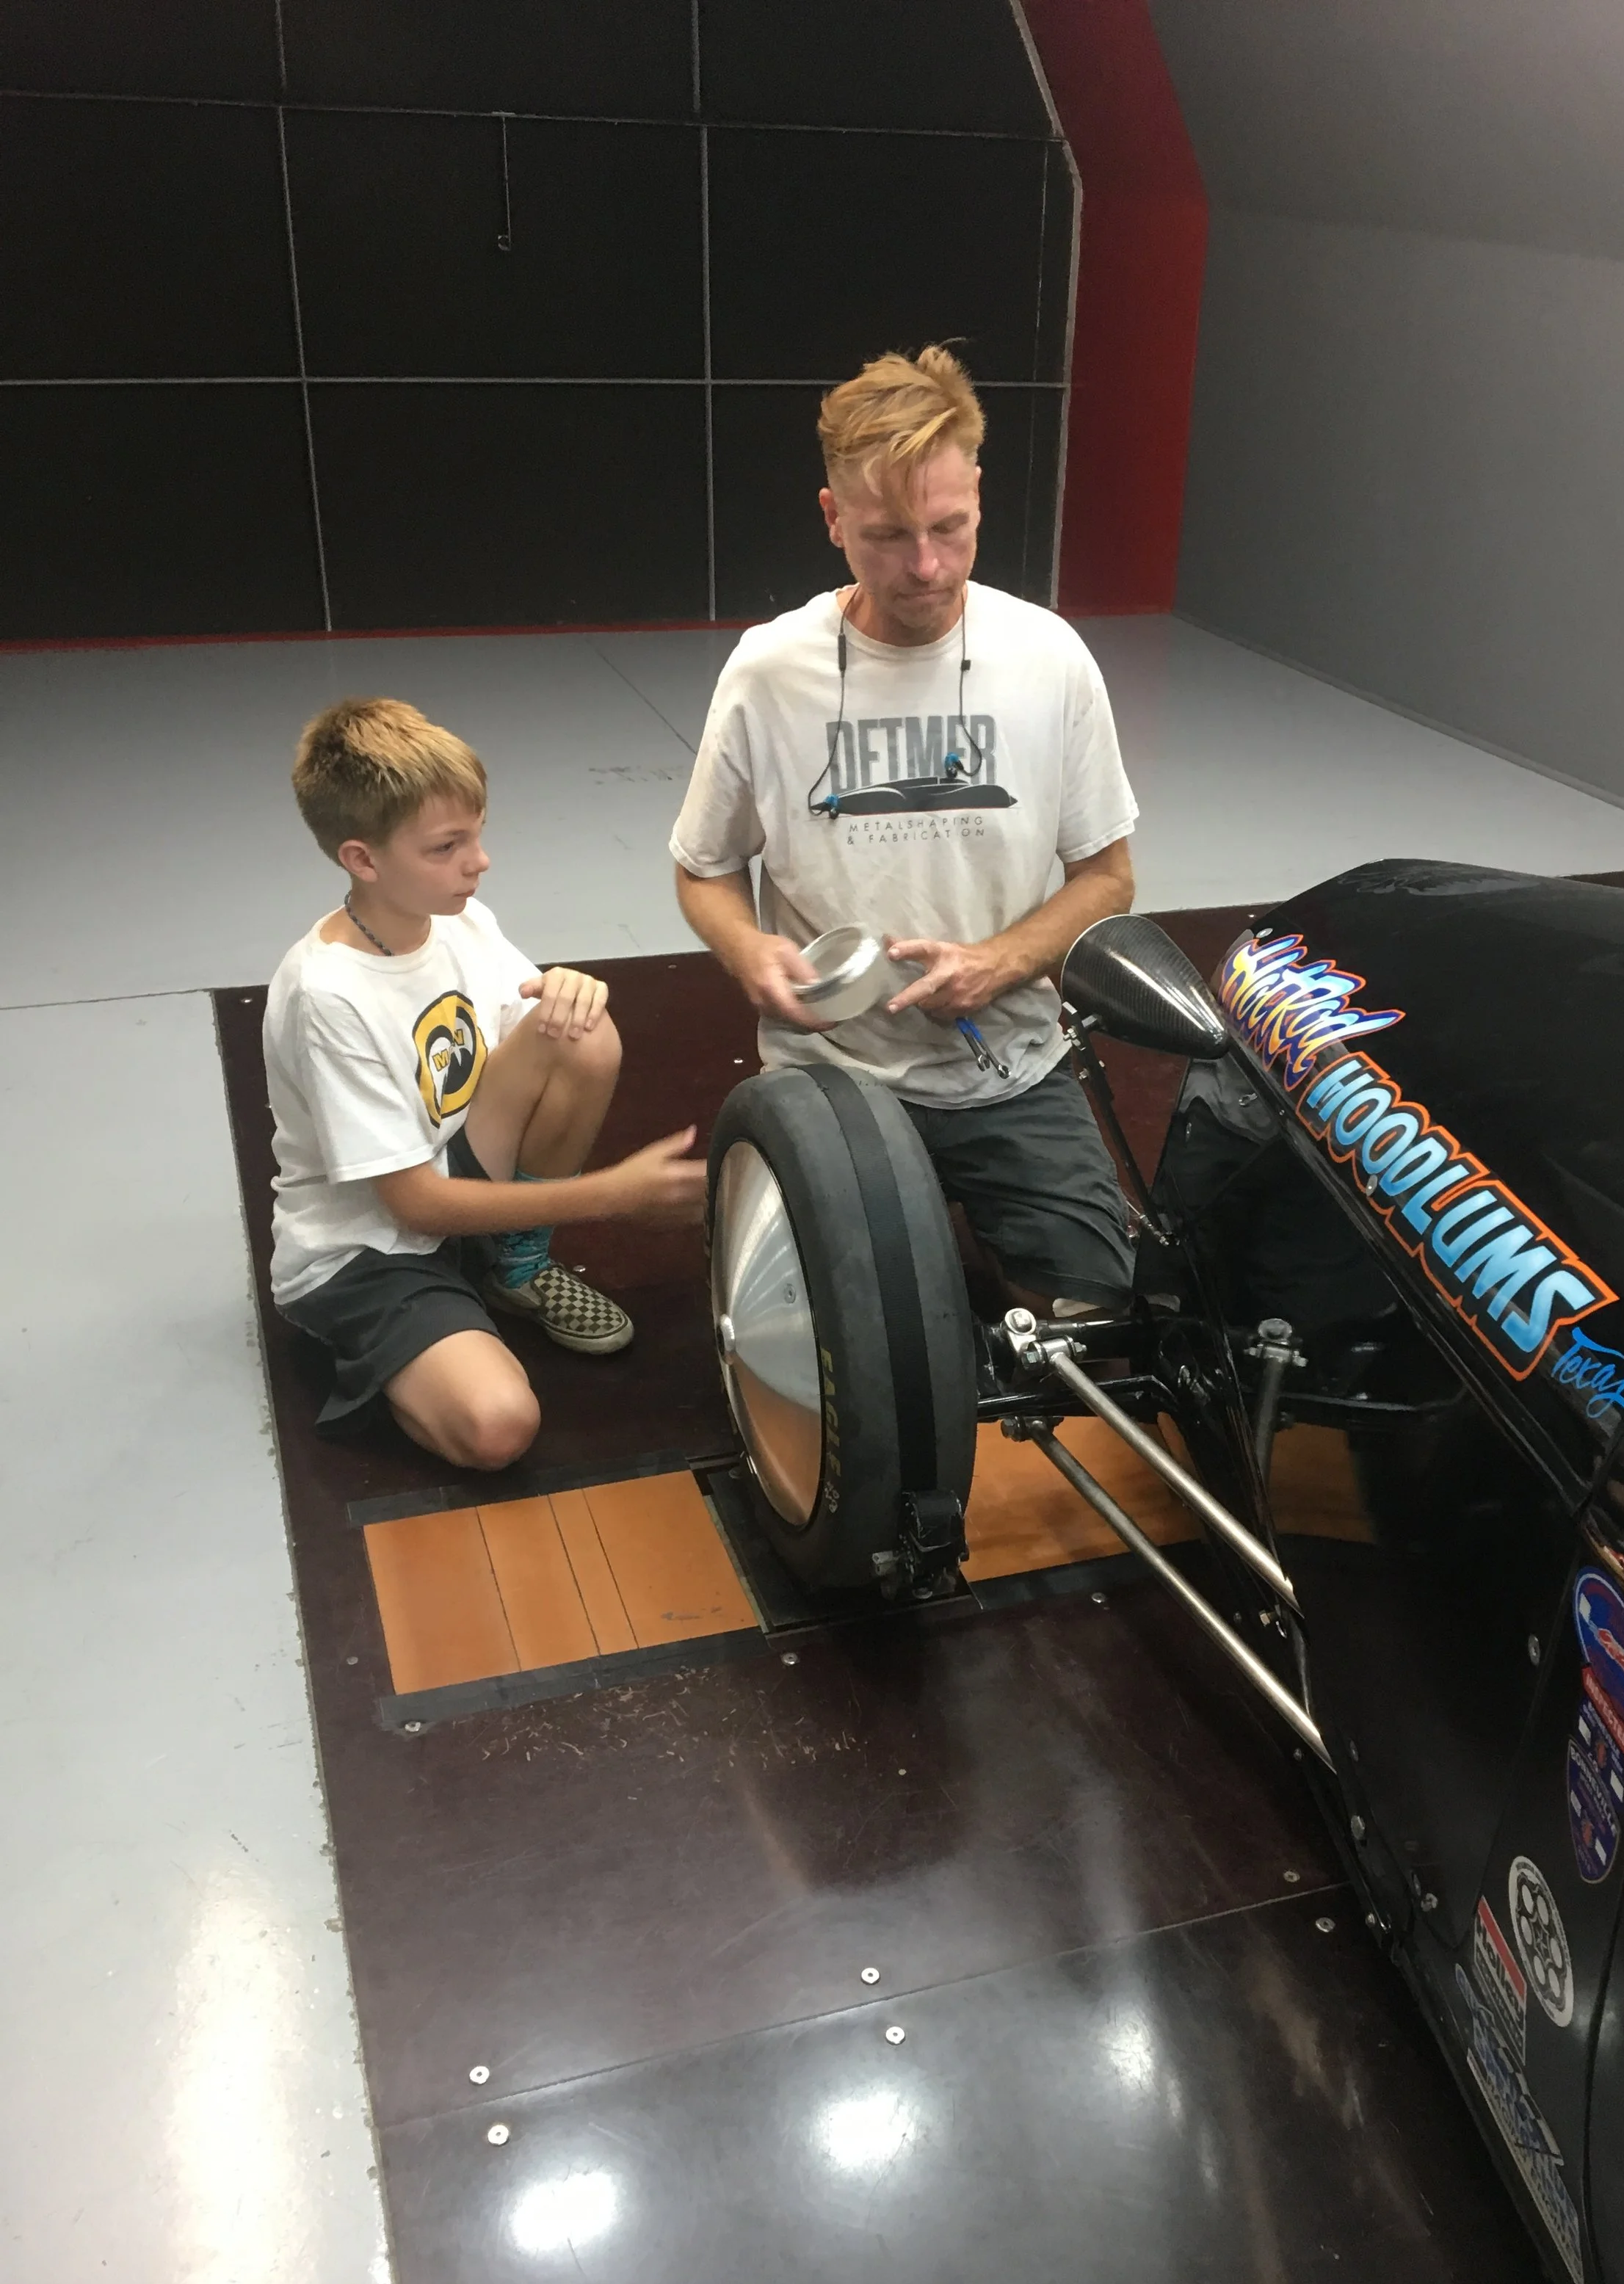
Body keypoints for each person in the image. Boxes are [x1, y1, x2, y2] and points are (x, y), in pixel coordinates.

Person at [670, 346, 1139, 1316]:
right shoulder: (770, 673)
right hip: (834, 1075)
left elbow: (1107, 877)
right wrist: (746, 950)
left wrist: (1003, 962)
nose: (925, 566)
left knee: (1099, 1319)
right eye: (886, 535)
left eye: (949, 527)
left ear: (977, 491)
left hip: (1008, 1063)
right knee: (824, 1333)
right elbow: (704, 871)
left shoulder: (1049, 658)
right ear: (833, 517)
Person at [264, 697, 704, 1469]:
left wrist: (571, 989)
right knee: (498, 1428)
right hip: (370, 1248)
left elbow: (533, 1035)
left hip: (453, 1167)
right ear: (363, 860)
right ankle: (410, 1337)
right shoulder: (326, 995)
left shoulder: (461, 920)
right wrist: (613, 1197)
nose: (479, 861)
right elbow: (413, 1206)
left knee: (580, 1031)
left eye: (477, 834)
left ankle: (513, 1266)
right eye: (447, 846)